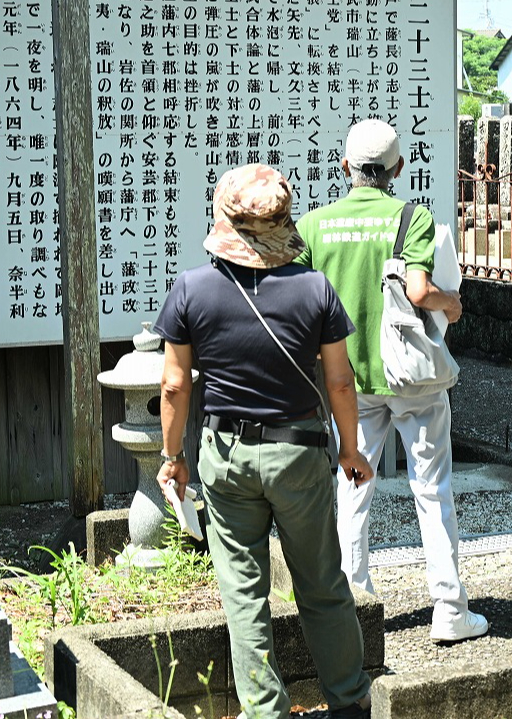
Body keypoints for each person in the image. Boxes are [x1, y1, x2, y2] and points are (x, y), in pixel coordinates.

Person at [154, 164, 375, 719]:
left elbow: (175, 383)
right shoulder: (314, 287)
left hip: (225, 457)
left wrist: (172, 456)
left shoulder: (192, 288)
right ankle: (349, 703)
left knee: (244, 595)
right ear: (282, 222)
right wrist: (350, 448)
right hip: (299, 454)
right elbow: (340, 381)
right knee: (322, 584)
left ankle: (264, 711)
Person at [294, 119, 489, 643]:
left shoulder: (314, 225)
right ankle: (449, 609)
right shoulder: (412, 217)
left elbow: (297, 300)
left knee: (353, 488)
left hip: (348, 383)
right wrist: (453, 303)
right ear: (397, 169)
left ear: (345, 169)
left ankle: (354, 605)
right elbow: (422, 290)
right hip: (413, 383)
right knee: (431, 489)